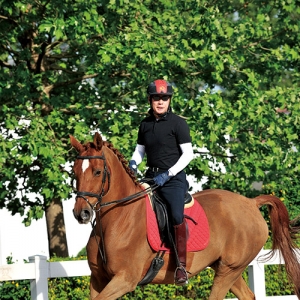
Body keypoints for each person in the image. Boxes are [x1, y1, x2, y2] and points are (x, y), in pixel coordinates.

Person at [129, 79, 194, 285]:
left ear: (169, 100)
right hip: (151, 177)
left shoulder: (178, 123)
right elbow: (140, 151)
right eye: (156, 98)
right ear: (150, 100)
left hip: (173, 178)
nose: (160, 102)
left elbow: (188, 154)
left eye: (164, 98)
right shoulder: (145, 124)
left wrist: (169, 174)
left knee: (175, 214)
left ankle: (181, 267)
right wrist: (132, 163)